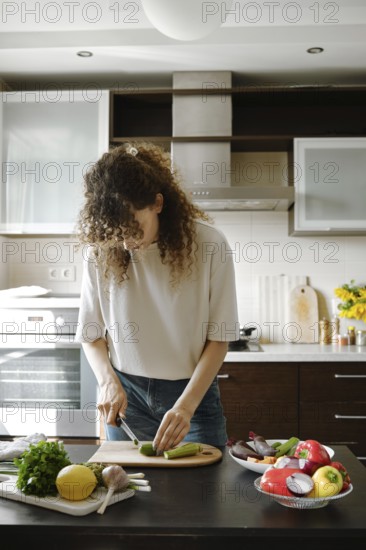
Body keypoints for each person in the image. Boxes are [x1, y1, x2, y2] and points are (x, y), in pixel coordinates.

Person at [75, 141, 239, 452]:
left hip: (193, 396)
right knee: (129, 493)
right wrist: (108, 381)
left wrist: (186, 407)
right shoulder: (100, 250)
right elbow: (91, 334)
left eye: (133, 229)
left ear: (158, 204)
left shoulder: (210, 245)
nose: (124, 243)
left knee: (201, 496)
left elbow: (219, 339)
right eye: (116, 231)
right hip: (127, 396)